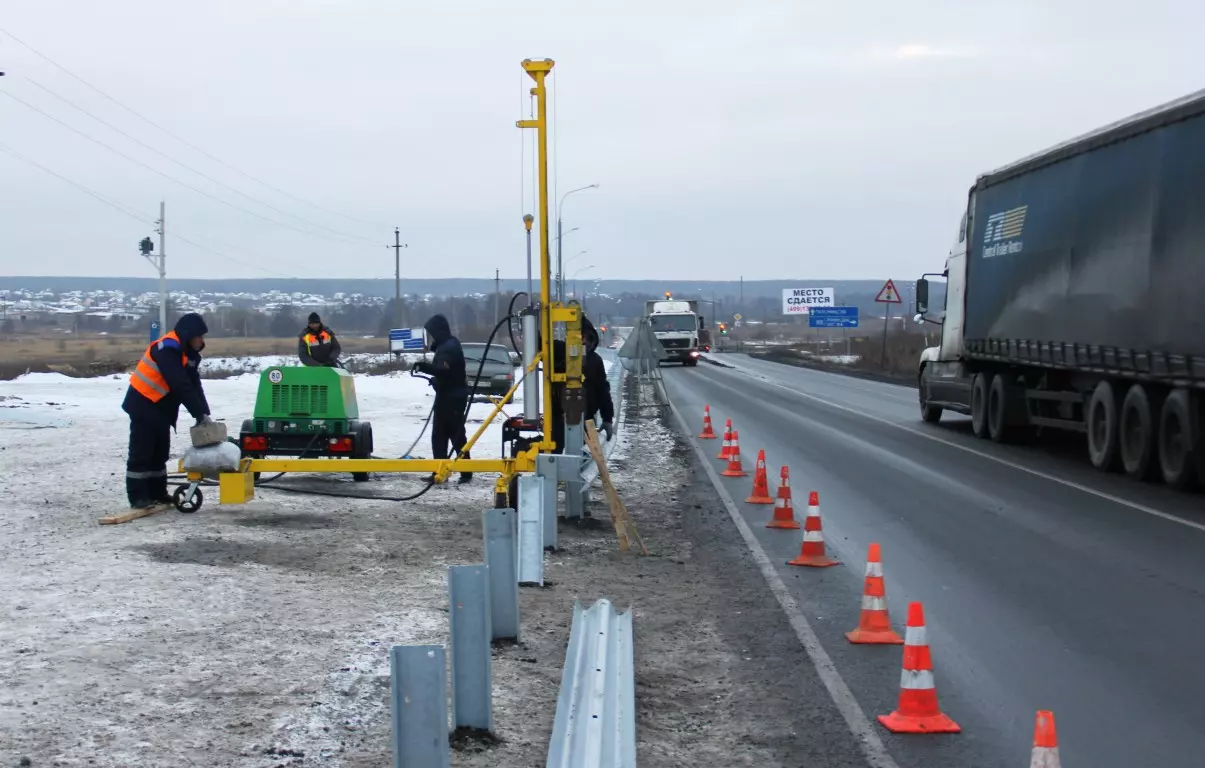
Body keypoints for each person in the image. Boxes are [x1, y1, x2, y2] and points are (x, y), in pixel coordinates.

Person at [121, 313, 211, 510]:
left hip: (160, 408)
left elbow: (194, 385)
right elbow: (179, 383)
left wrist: (203, 413)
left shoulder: (188, 354)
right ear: (189, 335)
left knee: (159, 452)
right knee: (142, 453)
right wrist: (198, 413)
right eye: (199, 336)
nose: (202, 341)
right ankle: (138, 497)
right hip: (143, 404)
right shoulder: (168, 348)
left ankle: (157, 493)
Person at [413, 313, 472, 483]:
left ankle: (454, 470)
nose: (431, 337)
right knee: (449, 434)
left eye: (432, 333)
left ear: (439, 331)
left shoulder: (448, 348)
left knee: (449, 435)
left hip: (451, 399)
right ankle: (459, 470)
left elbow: (443, 369)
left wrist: (425, 368)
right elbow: (449, 373)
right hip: (451, 396)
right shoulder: (448, 345)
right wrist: (436, 379)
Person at [581, 316, 615, 440]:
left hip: (588, 421)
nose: (583, 341)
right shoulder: (559, 356)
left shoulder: (595, 361)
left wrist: (607, 418)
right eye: (580, 337)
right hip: (559, 421)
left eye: (586, 337)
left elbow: (602, 391)